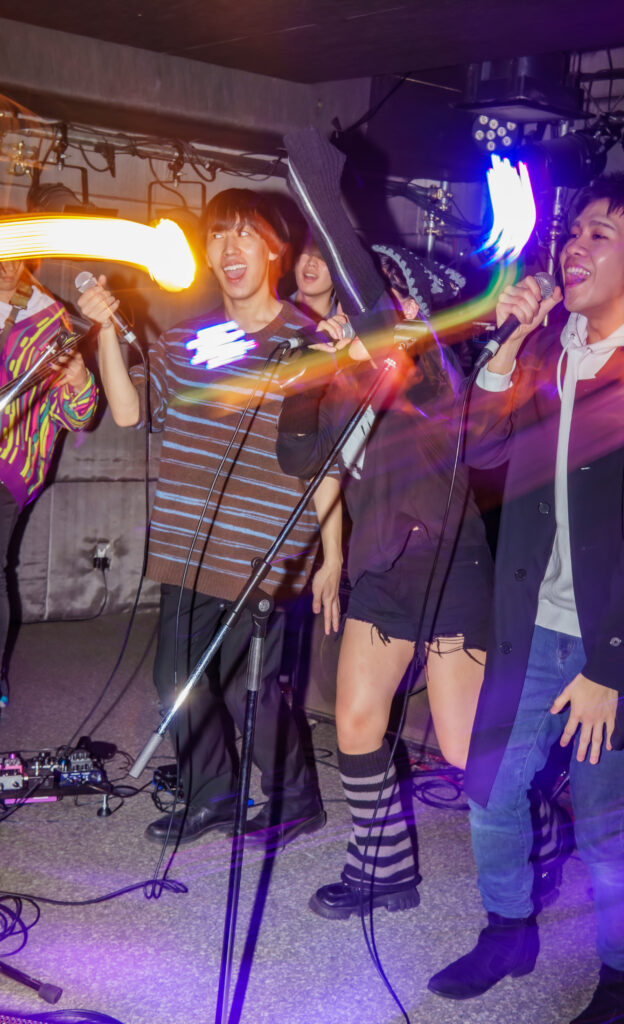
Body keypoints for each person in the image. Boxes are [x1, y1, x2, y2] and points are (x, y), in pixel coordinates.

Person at [428, 174, 624, 1024]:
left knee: (605, 821)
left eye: (598, 235)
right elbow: (482, 454)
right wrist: (507, 345)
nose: (573, 246)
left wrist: (611, 669)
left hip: (622, 641)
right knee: (490, 791)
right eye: (571, 233)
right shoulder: (549, 347)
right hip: (533, 623)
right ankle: (508, 931)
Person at [77, 188, 340, 847]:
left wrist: (331, 557)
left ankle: (294, 800)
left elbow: (329, 462)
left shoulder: (308, 344)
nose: (228, 248)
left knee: (251, 688)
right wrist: (106, 330)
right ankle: (212, 795)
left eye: (244, 233)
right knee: (176, 679)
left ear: (275, 250)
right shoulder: (189, 341)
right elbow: (129, 412)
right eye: (217, 235)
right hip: (187, 543)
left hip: (262, 548)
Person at [277, 244, 493, 919]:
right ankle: (382, 871)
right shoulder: (349, 371)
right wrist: (311, 375)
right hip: (379, 566)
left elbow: (419, 416)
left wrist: (365, 355)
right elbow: (305, 460)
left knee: (461, 746)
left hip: (449, 567)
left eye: (383, 297)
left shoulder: (433, 368)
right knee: (356, 722)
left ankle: (541, 829)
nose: (367, 310)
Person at [0, 233, 97, 706]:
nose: (6, 265)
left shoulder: (51, 321)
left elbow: (77, 416)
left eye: (14, 256)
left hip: (10, 462)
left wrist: (80, 382)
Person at [290, 233, 336, 322]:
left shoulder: (348, 328)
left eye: (323, 257)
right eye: (306, 252)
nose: (311, 262)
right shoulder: (268, 311)